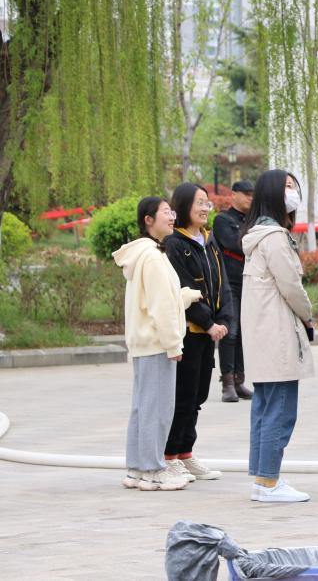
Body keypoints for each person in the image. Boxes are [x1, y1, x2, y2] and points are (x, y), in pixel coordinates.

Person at [114, 197, 203, 492]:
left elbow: (159, 298)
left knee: (143, 408)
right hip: (157, 344)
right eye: (165, 212)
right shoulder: (152, 256)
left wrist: (185, 296)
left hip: (145, 343)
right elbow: (160, 306)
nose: (172, 216)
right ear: (148, 220)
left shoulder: (146, 253)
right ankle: (153, 471)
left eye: (171, 211)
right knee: (158, 409)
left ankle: (137, 469)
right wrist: (174, 344)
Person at [241, 170, 315, 503]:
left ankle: (263, 479)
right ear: (271, 193)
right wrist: (308, 314)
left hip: (263, 337)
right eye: (286, 187)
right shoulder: (274, 238)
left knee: (265, 408)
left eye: (294, 186)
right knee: (280, 411)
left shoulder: (257, 236)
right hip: (278, 336)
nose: (292, 192)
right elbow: (291, 286)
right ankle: (269, 482)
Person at [162, 183, 234, 483]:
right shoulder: (174, 244)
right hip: (189, 332)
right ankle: (169, 455)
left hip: (209, 332)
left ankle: (186, 453)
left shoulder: (208, 240)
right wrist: (207, 322)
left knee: (199, 395)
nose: (205, 208)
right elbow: (184, 288)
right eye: (199, 203)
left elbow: (223, 283)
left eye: (207, 203)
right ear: (183, 206)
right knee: (183, 395)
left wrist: (225, 319)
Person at [212, 180, 255, 402]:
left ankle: (239, 381)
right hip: (229, 284)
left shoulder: (253, 221)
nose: (250, 198)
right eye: (246, 194)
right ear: (234, 194)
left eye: (253, 194)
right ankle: (227, 383)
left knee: (243, 334)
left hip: (249, 282)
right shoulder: (223, 220)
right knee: (231, 332)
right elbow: (235, 244)